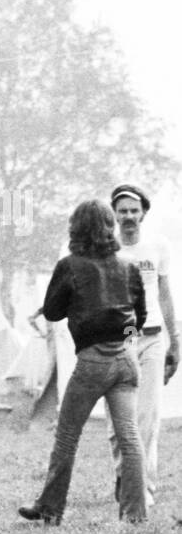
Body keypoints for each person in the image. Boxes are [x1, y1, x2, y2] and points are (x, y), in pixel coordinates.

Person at [19, 199, 147, 526]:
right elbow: (140, 316)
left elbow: (53, 312)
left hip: (91, 361)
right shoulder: (129, 265)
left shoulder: (70, 265)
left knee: (66, 437)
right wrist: (128, 338)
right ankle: (134, 515)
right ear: (109, 226)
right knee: (129, 438)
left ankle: (49, 509)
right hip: (126, 361)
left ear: (76, 228)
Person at [107, 184, 176, 507]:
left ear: (144, 213)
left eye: (134, 211)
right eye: (123, 211)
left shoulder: (158, 246)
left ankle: (143, 488)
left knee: (147, 416)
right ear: (115, 215)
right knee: (118, 418)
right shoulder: (106, 249)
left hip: (151, 338)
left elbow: (165, 294)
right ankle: (126, 477)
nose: (129, 217)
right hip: (117, 341)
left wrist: (175, 342)